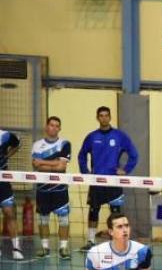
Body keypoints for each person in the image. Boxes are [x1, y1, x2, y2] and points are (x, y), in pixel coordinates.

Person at [77, 106, 139, 252]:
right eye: (101, 115)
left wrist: (126, 170)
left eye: (106, 115)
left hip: (113, 182)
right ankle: (91, 241)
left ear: (110, 117)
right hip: (96, 181)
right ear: (97, 118)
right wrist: (85, 172)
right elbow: (81, 155)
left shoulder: (119, 136)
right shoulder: (92, 137)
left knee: (116, 214)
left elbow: (134, 154)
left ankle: (117, 242)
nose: (104, 118)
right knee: (93, 211)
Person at [31, 116, 72, 259]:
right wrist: (54, 163)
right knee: (43, 220)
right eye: (51, 125)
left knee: (64, 220)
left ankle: (63, 248)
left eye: (56, 126)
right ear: (46, 127)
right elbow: (36, 166)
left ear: (59, 129)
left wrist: (43, 162)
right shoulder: (37, 145)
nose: (54, 128)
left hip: (60, 189)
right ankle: (45, 248)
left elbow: (61, 167)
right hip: (42, 189)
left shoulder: (65, 144)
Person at [0, 129, 23, 260]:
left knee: (9, 213)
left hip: (3, 182)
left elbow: (17, 144)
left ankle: (16, 248)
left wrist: (7, 156)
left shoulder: (6, 135)